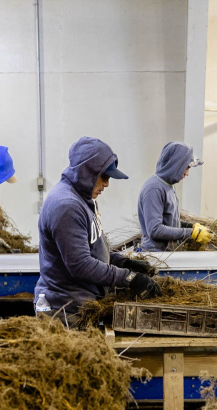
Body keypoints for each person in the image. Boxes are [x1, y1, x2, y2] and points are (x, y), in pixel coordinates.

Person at [35, 136, 161, 326]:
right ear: (88, 172)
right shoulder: (67, 206)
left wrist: (125, 262)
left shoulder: (84, 199)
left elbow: (90, 249)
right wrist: (128, 278)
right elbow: (80, 264)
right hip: (64, 311)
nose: (107, 184)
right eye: (104, 176)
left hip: (80, 305)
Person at [137, 142, 211, 251]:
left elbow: (169, 222)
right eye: (186, 168)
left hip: (166, 254)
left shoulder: (168, 186)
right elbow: (155, 230)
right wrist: (190, 233)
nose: (187, 173)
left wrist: (191, 227)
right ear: (175, 166)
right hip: (155, 256)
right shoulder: (154, 189)